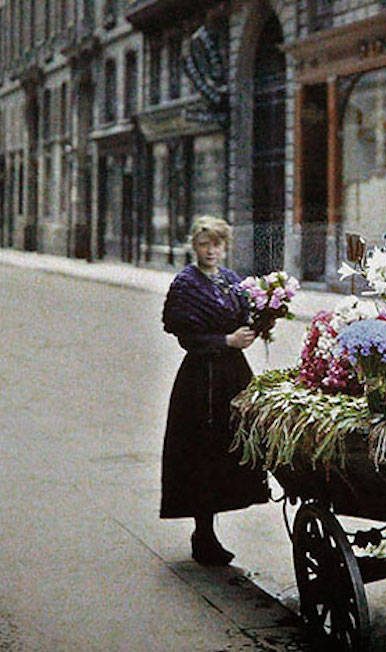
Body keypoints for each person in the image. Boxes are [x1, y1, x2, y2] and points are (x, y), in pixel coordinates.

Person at [160, 216, 269, 565]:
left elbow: (246, 316)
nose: (211, 251)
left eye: (217, 244)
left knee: (231, 445)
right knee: (202, 452)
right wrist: (226, 341)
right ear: (195, 246)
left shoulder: (231, 280)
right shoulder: (186, 284)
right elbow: (186, 337)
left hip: (233, 375)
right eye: (205, 244)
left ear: (225, 247)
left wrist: (256, 327)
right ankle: (203, 533)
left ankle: (212, 529)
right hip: (201, 380)